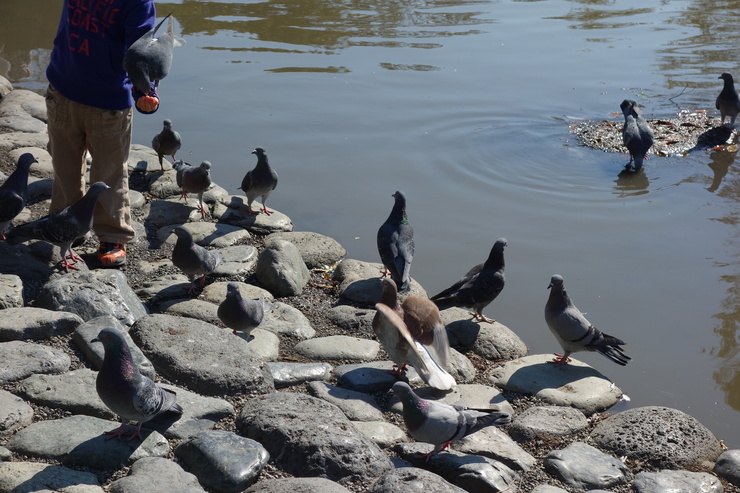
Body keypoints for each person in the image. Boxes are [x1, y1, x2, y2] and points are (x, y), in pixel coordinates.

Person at [45, 0, 157, 267]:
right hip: (62, 87)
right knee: (64, 165)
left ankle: (112, 234)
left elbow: (141, 50)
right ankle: (67, 222)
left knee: (109, 172)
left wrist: (146, 90)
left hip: (108, 101)